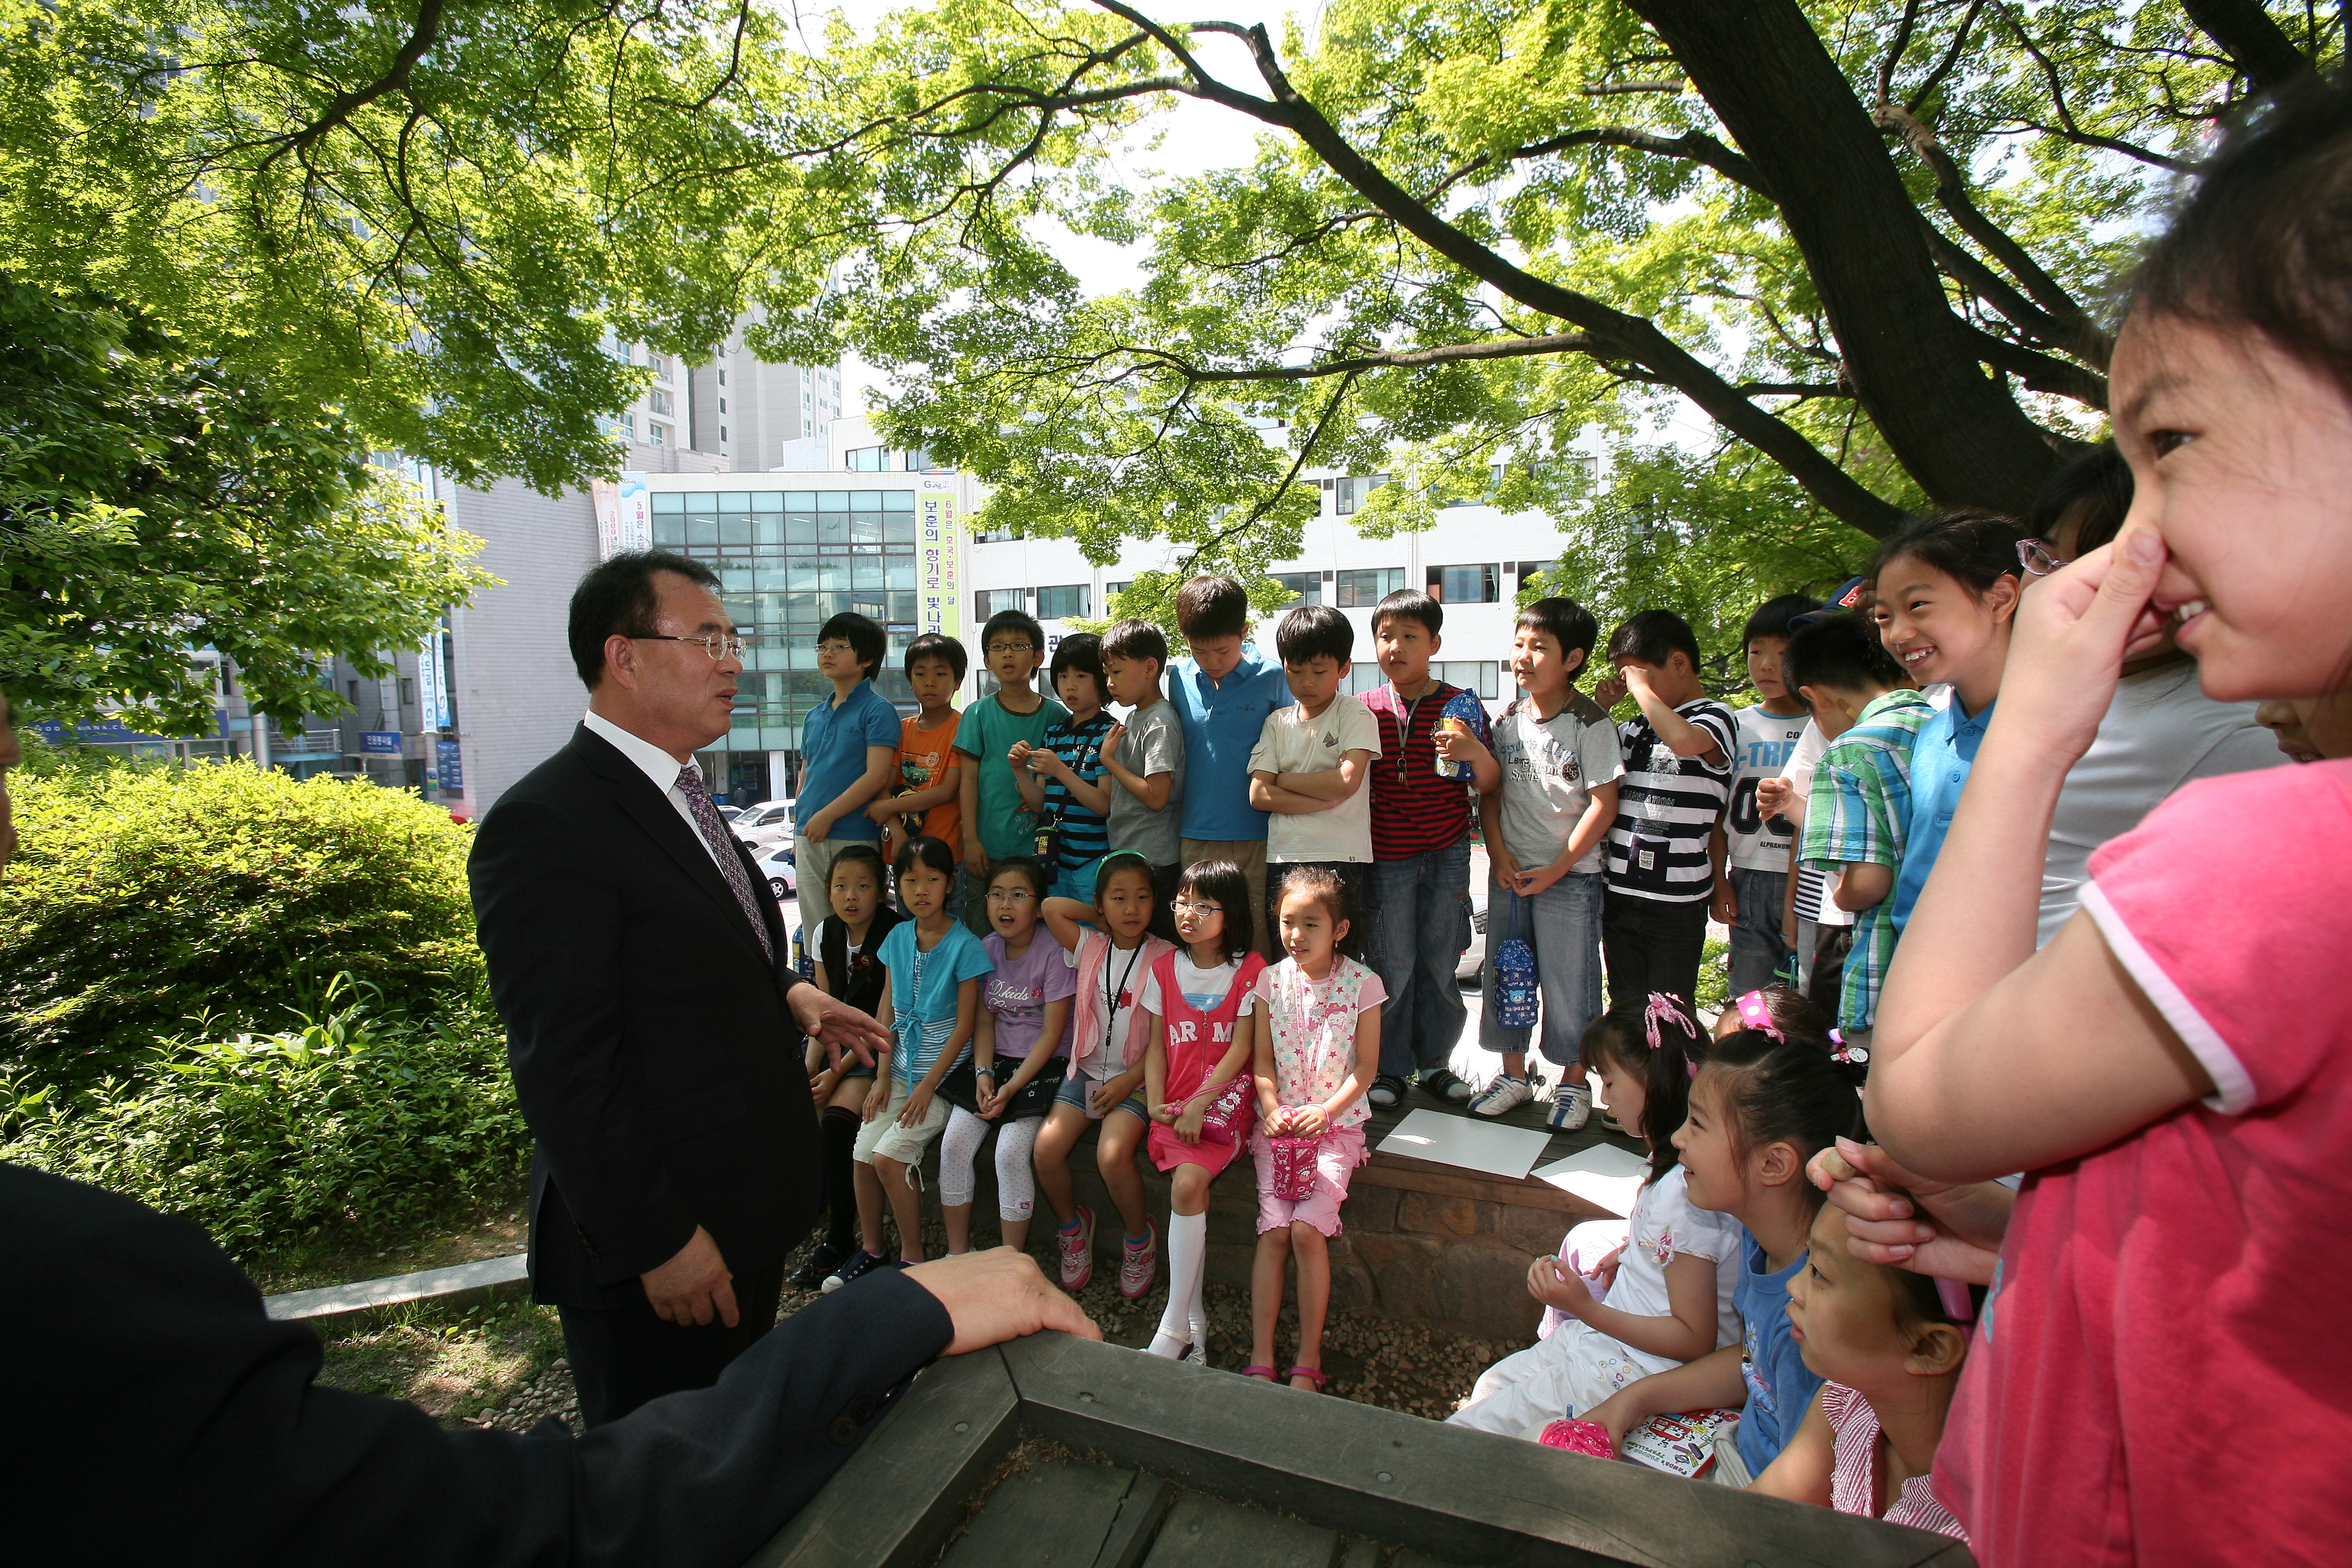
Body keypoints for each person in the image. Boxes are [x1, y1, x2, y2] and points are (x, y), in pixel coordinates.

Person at [1860, 86, 2352, 1566]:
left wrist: (2035, 734)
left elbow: (1924, 1097)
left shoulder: (2277, 864)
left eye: (2176, 442)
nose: (2133, 543)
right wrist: (2033, 1245)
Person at [468, 551, 892, 1426]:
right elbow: (566, 1068)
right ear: (623, 656)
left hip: (739, 1209)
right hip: (665, 1241)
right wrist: (656, 1240)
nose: (732, 660)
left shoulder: (683, 796)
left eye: (730, 638)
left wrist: (786, 990)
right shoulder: (547, 825)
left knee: (732, 1452)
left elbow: (685, 947)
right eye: (707, 639)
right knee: (661, 1488)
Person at [1577, 989, 1865, 1485]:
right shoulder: (1765, 1247)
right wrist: (1635, 1400)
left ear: (1773, 1164)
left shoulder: (1813, 1309)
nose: (1679, 1138)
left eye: (1699, 1124)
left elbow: (1810, 1482)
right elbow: (1751, 1362)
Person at [2022, 444, 2283, 944]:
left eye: (2116, 567)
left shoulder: (2234, 726)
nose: (2065, 587)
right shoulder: (2082, 687)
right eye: (2048, 559)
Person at [1447, 996, 1739, 1437]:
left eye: (1609, 1081)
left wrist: (1583, 1308)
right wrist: (1633, 1250)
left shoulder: (1687, 1193)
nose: (1604, 1097)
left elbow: (1693, 1340)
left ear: (1653, 1083)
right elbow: (1682, 1257)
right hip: (1617, 1348)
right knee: (1491, 1389)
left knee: (1469, 1434)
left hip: (1635, 1367)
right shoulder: (1677, 1176)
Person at [1469, 597, 1625, 1122]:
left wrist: (1559, 866)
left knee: (1571, 982)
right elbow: (1489, 795)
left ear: (1573, 657)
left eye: (1539, 647)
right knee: (1508, 976)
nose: (1524, 656)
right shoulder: (1506, 721)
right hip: (1511, 875)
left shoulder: (1590, 722)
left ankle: (1574, 1082)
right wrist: (1498, 851)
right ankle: (1514, 1072)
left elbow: (1605, 803)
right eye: (1519, 644)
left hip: (1570, 878)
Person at [1746, 1203, 1970, 1542]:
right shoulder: (1847, 1402)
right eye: (1807, 1259)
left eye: (1819, 1272)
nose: (1793, 1285)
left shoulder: (1974, 1531)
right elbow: (1745, 1521)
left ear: (1929, 1348)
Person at [1359, 588, 1499, 1110]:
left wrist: (1474, 751)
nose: (1395, 646)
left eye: (1409, 636)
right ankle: (1390, 1067)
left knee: (1441, 961)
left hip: (1446, 854)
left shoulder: (1459, 703)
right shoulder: (1365, 707)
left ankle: (1436, 1063)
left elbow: (1488, 782)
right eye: (1386, 635)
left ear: (1434, 642)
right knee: (1391, 964)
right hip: (1386, 856)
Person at [1244, 866, 1382, 1394]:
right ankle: (1261, 1352)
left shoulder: (1363, 984)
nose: (1296, 934)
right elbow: (1261, 1060)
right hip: (1279, 1130)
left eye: (1310, 923)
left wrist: (1325, 1111)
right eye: (1287, 921)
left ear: (1340, 929)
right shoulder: (1269, 980)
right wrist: (1271, 1104)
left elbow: (1366, 1066)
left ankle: (1308, 1355)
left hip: (1335, 1129)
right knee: (1275, 1230)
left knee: (1307, 1230)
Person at [1870, 512, 2023, 937]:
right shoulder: (1932, 736)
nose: (1899, 633)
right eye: (1884, 617)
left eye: (1918, 605)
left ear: (2001, 598)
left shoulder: (2070, 730)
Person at [1139, 859, 1268, 1360]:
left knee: (1188, 1185)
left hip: (1224, 1109)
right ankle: (1193, 1323)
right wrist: (1155, 1103)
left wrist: (1199, 1103)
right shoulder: (1164, 968)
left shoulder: (1250, 970)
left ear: (1230, 912)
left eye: (1202, 906)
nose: (1187, 914)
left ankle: (1173, 1326)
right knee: (1188, 1191)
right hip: (1172, 1107)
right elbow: (1155, 1047)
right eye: (1182, 903)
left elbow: (1240, 1049)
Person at [1033, 853, 1178, 1297]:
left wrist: (1129, 1081)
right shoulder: (1091, 945)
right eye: (1119, 899)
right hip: (1086, 1072)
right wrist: (1098, 916)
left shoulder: (1166, 958)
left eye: (1141, 898)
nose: (1131, 909)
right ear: (1100, 905)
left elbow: (1165, 1043)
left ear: (1155, 904)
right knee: (1046, 1150)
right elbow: (1050, 908)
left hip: (1135, 1081)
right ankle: (1074, 1228)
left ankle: (1139, 1238)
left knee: (1112, 1155)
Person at [1782, 616, 1931, 1045]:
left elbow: (1868, 883)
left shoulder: (1847, 754)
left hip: (1887, 962)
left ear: (1815, 698)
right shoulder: (1941, 724)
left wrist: (1842, 894)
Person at [853, 837, 994, 1270]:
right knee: (861, 1155)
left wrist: (926, 1087)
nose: (921, 890)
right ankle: (873, 1250)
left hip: (942, 1081)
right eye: (910, 880)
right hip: (895, 1072)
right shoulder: (897, 936)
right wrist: (879, 1076)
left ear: (950, 884)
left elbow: (967, 1026)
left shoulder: (966, 945)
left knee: (889, 1158)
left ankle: (912, 1259)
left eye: (931, 879)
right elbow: (886, 1008)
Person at [1593, 610, 1737, 1009]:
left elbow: (1685, 742)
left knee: (1671, 1009)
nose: (1631, 687)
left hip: (1677, 901)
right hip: (1620, 891)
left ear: (1679, 663)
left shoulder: (1716, 717)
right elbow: (1591, 764)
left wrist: (1641, 690)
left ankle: (1670, 1074)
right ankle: (1628, 1075)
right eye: (1624, 678)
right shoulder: (1634, 728)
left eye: (1637, 675)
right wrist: (1603, 709)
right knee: (1625, 1003)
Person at [934, 858, 1074, 1259]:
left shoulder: (1054, 952)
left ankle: (1012, 1263)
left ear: (1039, 903)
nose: (1005, 905)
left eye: (1018, 895)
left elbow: (1051, 1034)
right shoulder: (986, 949)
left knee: (1010, 1154)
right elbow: (983, 1020)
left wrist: (1012, 1087)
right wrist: (982, 1073)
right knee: (954, 1145)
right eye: (996, 895)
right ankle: (957, 1255)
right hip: (995, 1061)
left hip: (1042, 1065)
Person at [1170, 576, 1294, 956]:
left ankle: (1256, 1016)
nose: (1211, 662)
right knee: (1202, 939)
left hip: (1255, 833)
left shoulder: (1274, 676)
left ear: (1244, 631)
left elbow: (1289, 748)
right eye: (1199, 652)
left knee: (1254, 934)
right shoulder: (1177, 677)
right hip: (1195, 831)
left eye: (1222, 651)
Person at [799, 844, 905, 1291]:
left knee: (839, 1123)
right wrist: (810, 1069)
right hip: (840, 1045)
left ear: (881, 892)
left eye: (863, 886)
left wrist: (835, 1072)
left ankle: (841, 1238)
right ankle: (805, 1216)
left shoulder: (896, 932)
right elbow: (822, 1013)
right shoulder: (824, 932)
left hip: (882, 1046)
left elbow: (885, 1018)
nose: (851, 896)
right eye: (840, 886)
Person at [1247, 603, 1382, 938]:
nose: (1307, 682)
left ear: (1344, 668)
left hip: (1342, 856)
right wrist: (1322, 797)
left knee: (1339, 961)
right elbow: (1259, 795)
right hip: (1285, 855)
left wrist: (1284, 780)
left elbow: (1346, 782)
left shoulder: (1356, 715)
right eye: (1295, 671)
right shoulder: (1277, 722)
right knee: (1288, 958)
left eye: (1320, 671)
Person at [1719, 595, 1821, 994]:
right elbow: (1717, 809)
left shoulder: (1823, 722)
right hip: (1748, 873)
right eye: (1756, 651)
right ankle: (1747, 1054)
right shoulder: (1736, 725)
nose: (1765, 664)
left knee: (1803, 993)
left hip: (1809, 875)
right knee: (1749, 995)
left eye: (1782, 653)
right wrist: (1721, 881)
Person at [792, 612, 901, 943]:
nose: (827, 653)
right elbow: (806, 775)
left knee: (858, 934)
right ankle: (824, 994)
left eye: (840, 646)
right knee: (818, 934)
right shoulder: (814, 716)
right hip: (808, 833)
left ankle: (856, 996)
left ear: (867, 658)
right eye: (822, 646)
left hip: (851, 834)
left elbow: (877, 777)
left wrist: (827, 815)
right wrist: (800, 823)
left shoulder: (878, 710)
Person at [954, 609, 1068, 928]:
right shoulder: (977, 714)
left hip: (1040, 852)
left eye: (1019, 646)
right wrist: (971, 841)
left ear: (1038, 656)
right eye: (997, 646)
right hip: (988, 851)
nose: (1007, 653)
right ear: (987, 660)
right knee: (983, 932)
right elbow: (968, 781)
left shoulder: (1056, 717)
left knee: (1038, 933)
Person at [1098, 618, 1186, 940]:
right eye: (1107, 674)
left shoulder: (1159, 720)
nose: (1109, 683)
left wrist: (1108, 761)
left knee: (1157, 948)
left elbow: (1156, 796)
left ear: (1151, 668)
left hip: (1155, 859)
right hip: (1132, 851)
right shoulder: (1136, 715)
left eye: (1117, 672)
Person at [1013, 632, 1117, 902]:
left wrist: (1060, 770)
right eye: (1063, 676)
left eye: (1081, 676)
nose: (1070, 686)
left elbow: (1104, 805)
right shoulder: (1054, 734)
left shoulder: (1110, 733)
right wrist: (1019, 770)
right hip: (1052, 863)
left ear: (1102, 680)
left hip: (1091, 864)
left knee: (1091, 938)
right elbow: (1040, 804)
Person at [869, 633, 967, 885]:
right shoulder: (900, 730)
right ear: (910, 682)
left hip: (946, 853)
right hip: (902, 853)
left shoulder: (963, 728)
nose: (930, 682)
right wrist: (899, 835)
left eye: (941, 674)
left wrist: (888, 808)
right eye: (920, 674)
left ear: (958, 681)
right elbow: (884, 786)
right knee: (906, 923)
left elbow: (948, 790)